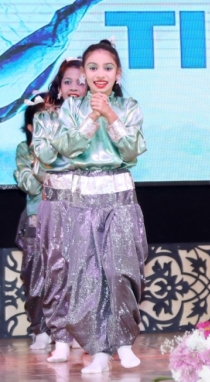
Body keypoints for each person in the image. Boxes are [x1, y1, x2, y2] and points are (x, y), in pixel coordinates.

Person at [51, 40, 147, 373]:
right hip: (82, 199)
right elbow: (68, 148)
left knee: (120, 272)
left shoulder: (129, 106)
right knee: (87, 275)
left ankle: (123, 342)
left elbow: (132, 151)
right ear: (84, 74)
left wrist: (110, 114)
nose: (100, 74)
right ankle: (100, 351)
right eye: (92, 68)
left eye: (108, 67)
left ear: (118, 73)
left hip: (119, 197)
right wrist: (93, 115)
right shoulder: (71, 108)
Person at [32, 59, 88, 360]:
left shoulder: (97, 117)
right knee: (57, 269)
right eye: (68, 81)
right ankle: (61, 338)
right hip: (55, 202)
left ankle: (85, 332)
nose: (74, 87)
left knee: (88, 269)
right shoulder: (45, 118)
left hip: (90, 201)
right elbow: (47, 157)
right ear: (59, 86)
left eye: (81, 81)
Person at [14, 95, 49, 350]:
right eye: (41, 120)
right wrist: (40, 153)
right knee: (35, 273)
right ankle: (40, 329)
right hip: (37, 217)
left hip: (67, 216)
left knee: (69, 275)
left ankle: (67, 330)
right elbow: (31, 186)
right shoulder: (24, 150)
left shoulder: (68, 146)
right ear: (30, 127)